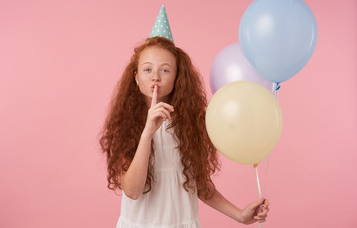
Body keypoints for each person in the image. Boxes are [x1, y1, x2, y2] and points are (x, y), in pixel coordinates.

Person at [99, 36, 269, 228]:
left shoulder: (190, 124)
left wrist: (239, 215)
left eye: (165, 70)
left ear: (177, 77)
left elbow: (198, 184)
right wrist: (147, 133)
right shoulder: (127, 125)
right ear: (136, 77)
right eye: (147, 69)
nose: (155, 76)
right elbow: (132, 191)